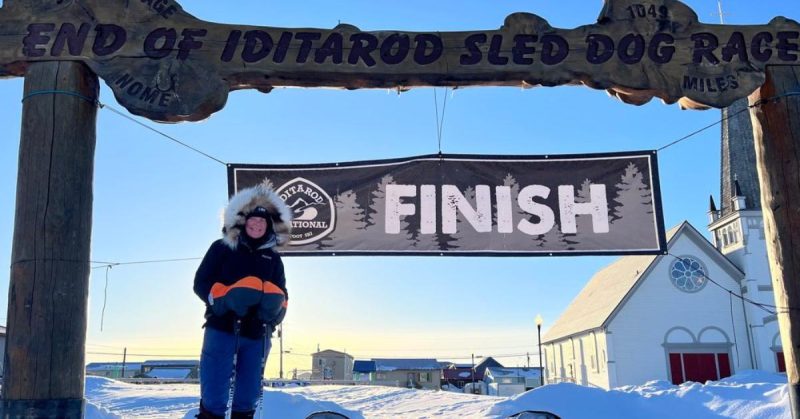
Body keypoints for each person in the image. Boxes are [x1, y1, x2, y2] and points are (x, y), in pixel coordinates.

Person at [193, 185, 293, 419]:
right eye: (252, 221)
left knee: (247, 396)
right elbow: (201, 282)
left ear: (269, 226)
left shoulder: (274, 259)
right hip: (222, 329)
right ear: (242, 222)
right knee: (214, 394)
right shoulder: (221, 248)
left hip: (258, 334)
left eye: (262, 222)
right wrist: (224, 299)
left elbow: (283, 294)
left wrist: (275, 314)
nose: (257, 225)